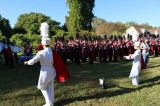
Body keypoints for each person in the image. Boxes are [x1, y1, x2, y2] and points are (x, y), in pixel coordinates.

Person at [24, 38, 56, 106]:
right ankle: (51, 101)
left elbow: (34, 60)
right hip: (52, 70)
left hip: (44, 71)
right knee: (50, 87)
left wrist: (27, 62)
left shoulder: (41, 52)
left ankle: (48, 103)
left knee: (42, 87)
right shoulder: (52, 51)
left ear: (43, 44)